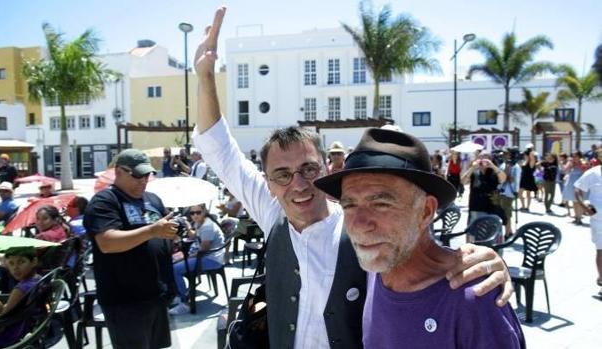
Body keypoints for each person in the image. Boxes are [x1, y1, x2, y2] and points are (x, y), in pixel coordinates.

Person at [192, 7, 512, 348]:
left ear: (327, 169)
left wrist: (474, 260)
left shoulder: (358, 230)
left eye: (308, 170)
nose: (297, 185)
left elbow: (411, 244)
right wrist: (205, 77)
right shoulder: (273, 216)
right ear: (268, 183)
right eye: (282, 175)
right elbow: (219, 150)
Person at [313, 128, 525, 348]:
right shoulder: (375, 269)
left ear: (425, 211)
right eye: (349, 204)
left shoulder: (474, 298)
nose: (358, 224)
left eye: (381, 204)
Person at [83, 148, 178, 349]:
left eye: (147, 175)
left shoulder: (152, 199)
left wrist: (174, 231)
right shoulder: (105, 201)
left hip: (156, 294)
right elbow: (107, 242)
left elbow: (162, 233)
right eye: (137, 175)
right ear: (118, 172)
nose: (143, 180)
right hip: (125, 301)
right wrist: (152, 231)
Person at [169, 203, 226, 315]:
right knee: (170, 260)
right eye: (192, 213)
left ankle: (185, 302)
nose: (195, 215)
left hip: (211, 259)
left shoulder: (207, 226)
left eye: (198, 212)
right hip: (203, 256)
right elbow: (193, 236)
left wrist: (185, 257)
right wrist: (188, 226)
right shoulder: (199, 223)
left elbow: (204, 249)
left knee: (174, 268)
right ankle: (180, 294)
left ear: (204, 212)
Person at [0, 247, 41, 349]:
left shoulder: (20, 290)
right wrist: (2, 308)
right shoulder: (38, 279)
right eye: (11, 263)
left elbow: (0, 325)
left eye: (21, 262)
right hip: (25, 328)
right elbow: (11, 311)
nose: (15, 268)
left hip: (7, 337)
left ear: (34, 261)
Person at [574, 148, 602, 297]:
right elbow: (577, 189)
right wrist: (584, 206)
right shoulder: (593, 172)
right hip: (599, 218)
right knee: (601, 250)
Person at [461, 152, 506, 224]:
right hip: (476, 207)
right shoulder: (474, 172)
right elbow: (463, 181)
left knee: (491, 232)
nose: (482, 160)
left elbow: (503, 179)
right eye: (480, 158)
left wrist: (493, 166)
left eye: (485, 157)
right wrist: (472, 168)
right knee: (475, 231)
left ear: (490, 159)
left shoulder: (495, 171)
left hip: (492, 207)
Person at [498, 149, 521, 239]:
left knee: (507, 214)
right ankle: (509, 230)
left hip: (509, 192)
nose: (504, 155)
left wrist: (516, 191)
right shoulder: (503, 164)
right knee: (503, 212)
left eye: (507, 154)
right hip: (502, 191)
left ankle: (507, 233)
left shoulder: (515, 167)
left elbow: (517, 180)